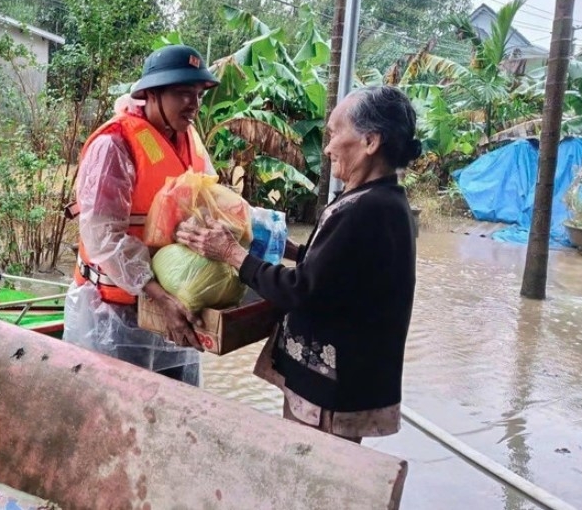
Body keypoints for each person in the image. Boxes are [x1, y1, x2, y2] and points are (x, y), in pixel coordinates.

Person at [177, 85, 422, 441]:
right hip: (336, 382)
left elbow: (301, 290)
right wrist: (282, 246)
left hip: (331, 395)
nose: (327, 148)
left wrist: (232, 254)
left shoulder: (368, 209)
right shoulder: (378, 200)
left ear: (370, 142)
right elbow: (333, 272)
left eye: (336, 134)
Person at [62, 44, 220, 386]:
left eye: (198, 94)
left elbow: (213, 202)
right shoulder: (114, 146)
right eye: (183, 94)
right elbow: (104, 237)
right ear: (150, 94)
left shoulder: (188, 139)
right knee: (118, 415)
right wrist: (159, 297)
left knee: (178, 411)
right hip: (116, 313)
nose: (194, 104)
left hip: (175, 302)